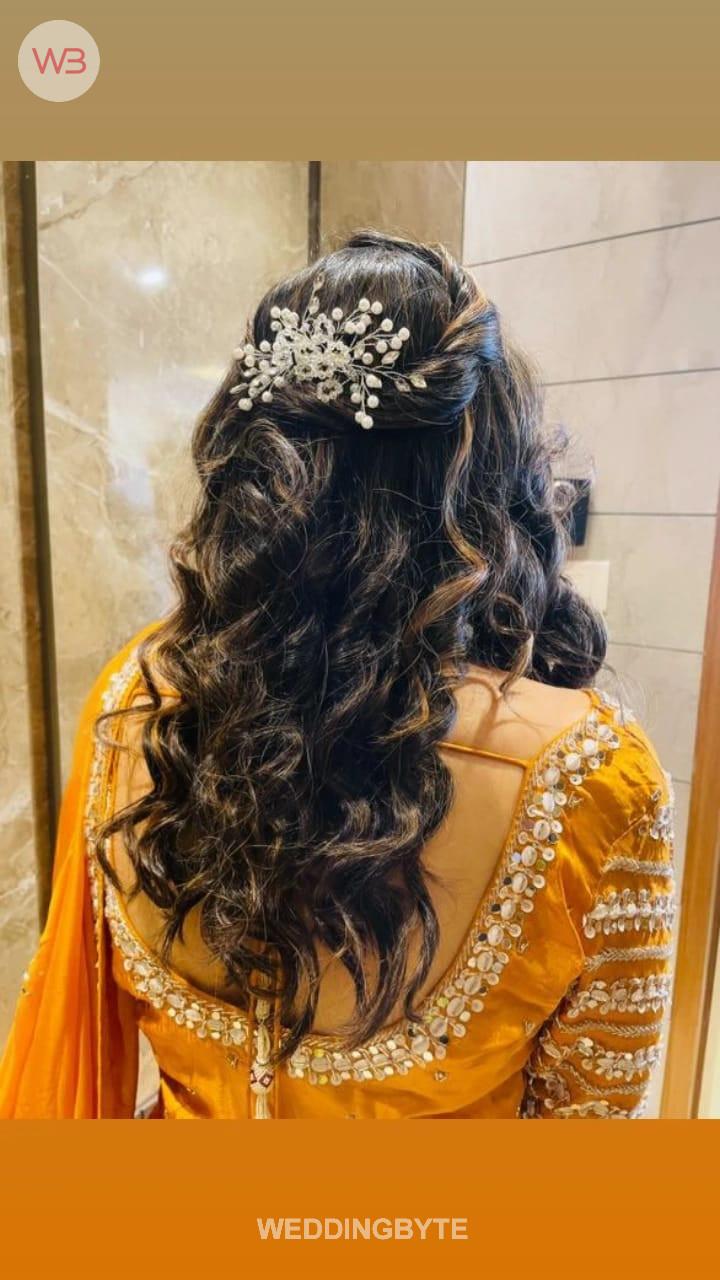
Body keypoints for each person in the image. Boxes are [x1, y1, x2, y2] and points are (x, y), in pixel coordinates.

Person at [0, 230, 676, 1119]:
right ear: (487, 475)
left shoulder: (140, 698)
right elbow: (586, 1137)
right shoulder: (591, 779)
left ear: (249, 458)